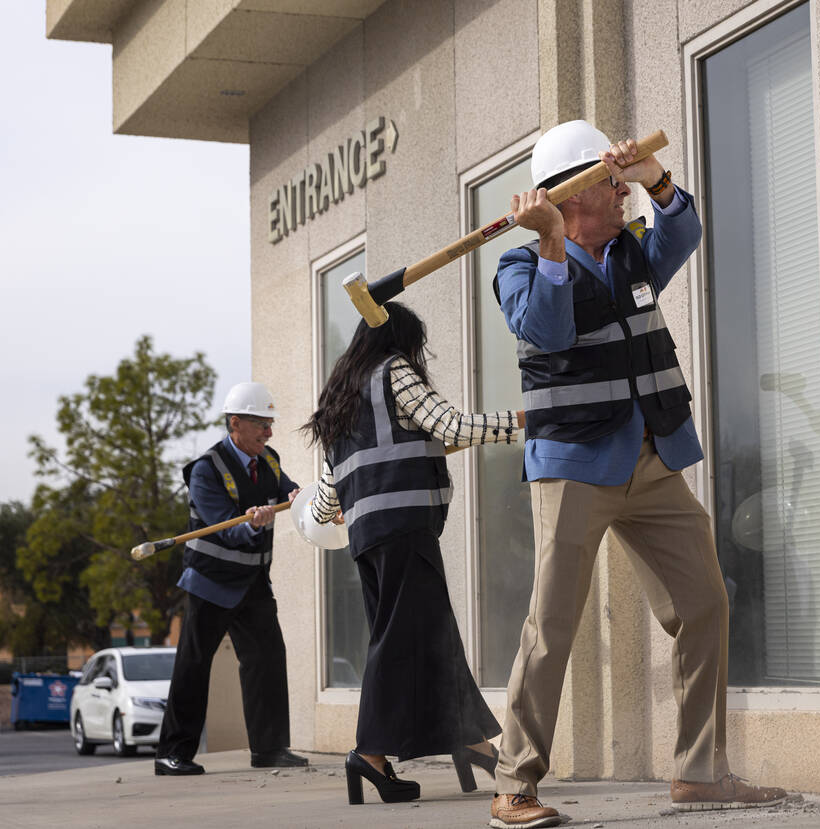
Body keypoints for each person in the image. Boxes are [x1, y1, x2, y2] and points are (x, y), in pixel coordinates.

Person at [487, 120, 787, 828]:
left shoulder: (632, 251)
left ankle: (699, 772)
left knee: (706, 599)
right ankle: (514, 783)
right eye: (610, 182)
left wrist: (657, 178)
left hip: (652, 457)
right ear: (569, 198)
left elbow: (682, 232)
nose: (622, 191)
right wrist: (553, 240)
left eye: (622, 181)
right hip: (573, 469)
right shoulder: (520, 266)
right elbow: (548, 330)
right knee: (551, 624)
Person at [301, 301, 524, 805]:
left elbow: (327, 496)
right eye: (414, 343)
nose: (416, 354)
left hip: (368, 539)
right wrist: (521, 420)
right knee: (400, 642)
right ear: (398, 340)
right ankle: (371, 754)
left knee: (429, 635)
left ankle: (471, 742)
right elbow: (448, 425)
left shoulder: (339, 395)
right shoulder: (393, 372)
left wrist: (310, 510)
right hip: (404, 528)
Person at [155, 382, 307, 775]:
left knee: (267, 660)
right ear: (235, 423)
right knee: (193, 664)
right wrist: (253, 524)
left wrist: (305, 497)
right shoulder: (206, 470)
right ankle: (172, 753)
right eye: (261, 424)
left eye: (270, 424)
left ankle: (270, 749)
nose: (269, 432)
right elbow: (225, 527)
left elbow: (288, 491)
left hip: (254, 582)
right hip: (210, 583)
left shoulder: (269, 461)